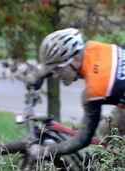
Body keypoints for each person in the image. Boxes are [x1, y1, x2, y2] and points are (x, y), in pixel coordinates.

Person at [29, 28, 125, 161]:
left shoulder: (94, 90)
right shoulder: (92, 47)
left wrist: (45, 151)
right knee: (106, 131)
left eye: (58, 69)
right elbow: (59, 62)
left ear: (76, 59)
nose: (56, 75)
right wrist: (39, 75)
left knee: (105, 133)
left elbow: (82, 140)